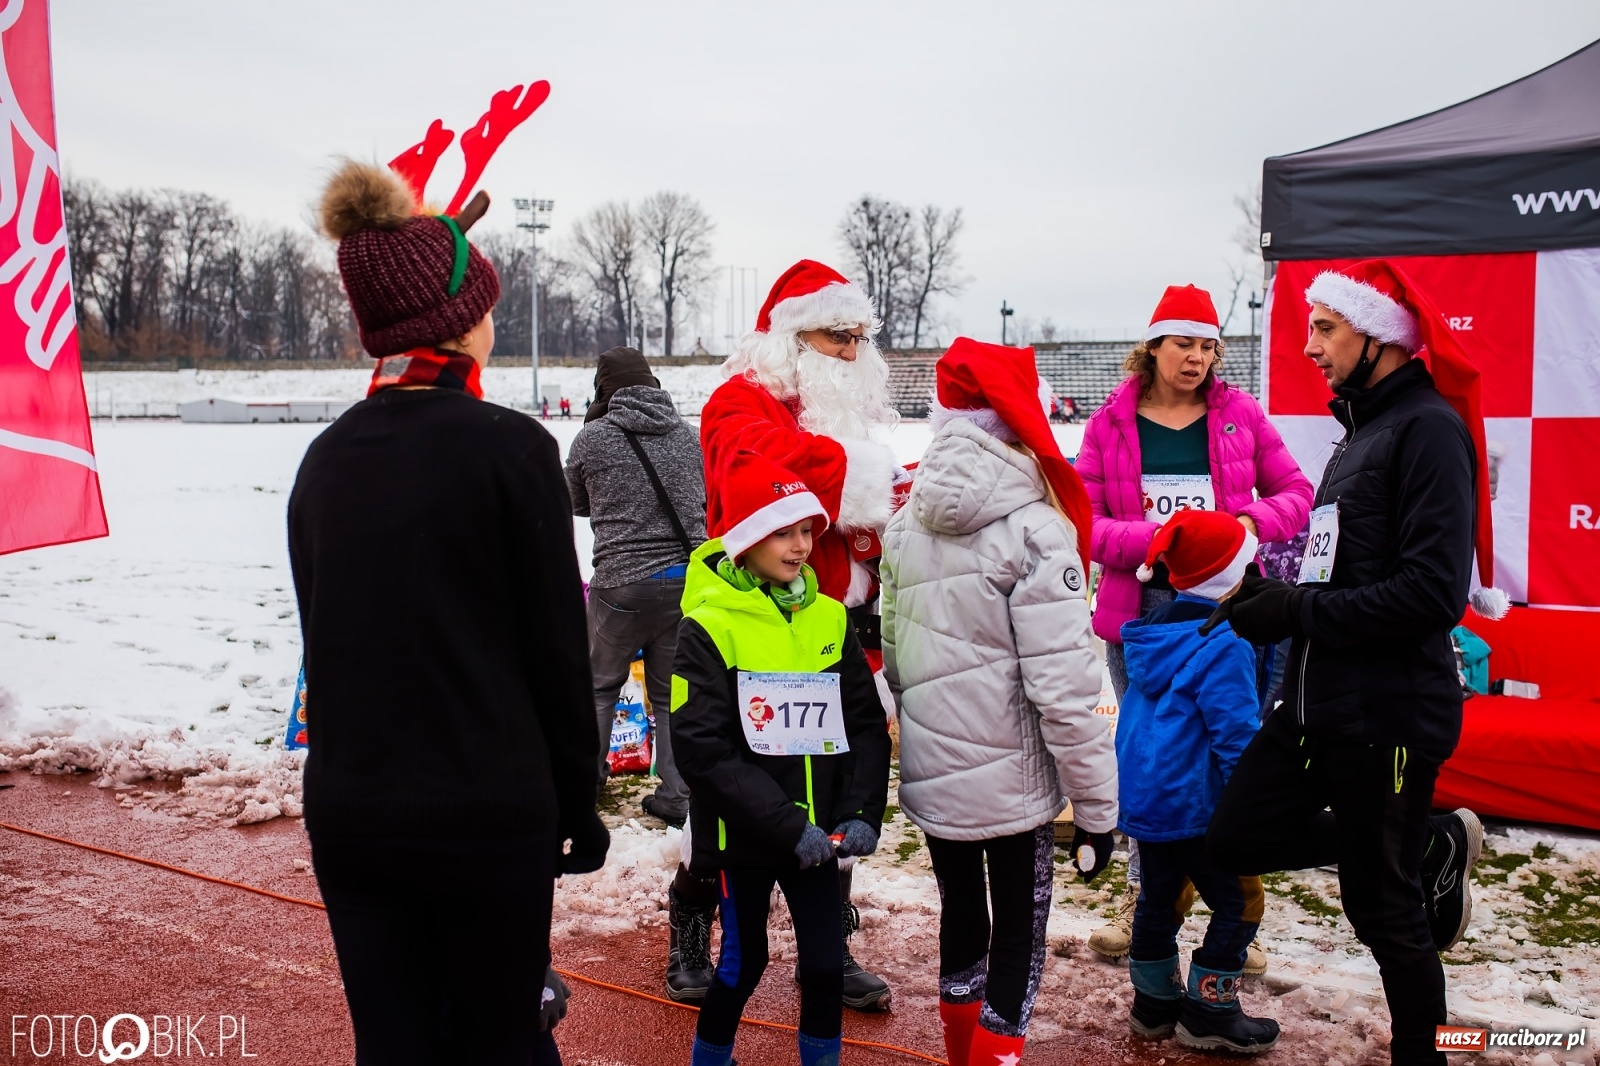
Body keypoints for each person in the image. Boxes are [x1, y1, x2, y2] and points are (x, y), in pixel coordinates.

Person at [290, 160, 607, 1064]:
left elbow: (326, 645)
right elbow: (557, 652)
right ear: (461, 320)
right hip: (485, 807)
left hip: (354, 810)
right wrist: (575, 802)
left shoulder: (324, 459)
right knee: (498, 1038)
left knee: (392, 1045)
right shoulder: (511, 449)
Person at [1203, 259, 1503, 1066]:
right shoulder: (1359, 432)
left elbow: (1430, 596)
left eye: (1325, 328)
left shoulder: (1429, 430)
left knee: (1386, 914)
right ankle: (1429, 838)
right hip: (1314, 706)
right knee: (1231, 838)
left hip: (1389, 717)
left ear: (1382, 336)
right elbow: (1343, 570)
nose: (1309, 347)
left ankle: (1424, 1055)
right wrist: (1273, 596)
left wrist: (1294, 610)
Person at [882, 338, 1118, 1066]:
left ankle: (964, 1055)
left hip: (937, 774)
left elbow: (895, 654)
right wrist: (1099, 811)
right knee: (1019, 929)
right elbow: (1067, 687)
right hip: (1014, 781)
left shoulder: (904, 521)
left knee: (962, 912)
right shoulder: (1037, 529)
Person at [1075, 283, 1312, 967]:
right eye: (1185, 343)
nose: (1198, 358)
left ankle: (1239, 908)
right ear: (1153, 347)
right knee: (1155, 756)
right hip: (1143, 614)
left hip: (1230, 608)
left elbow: (1296, 494)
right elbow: (1084, 520)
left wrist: (1241, 526)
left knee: (1231, 753)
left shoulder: (1240, 415)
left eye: (1209, 346)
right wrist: (1158, 541)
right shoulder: (1110, 423)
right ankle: (1150, 897)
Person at [695, 258, 904, 1010]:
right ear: (791, 337)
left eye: (858, 338)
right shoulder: (738, 402)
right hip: (749, 633)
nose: (853, 353)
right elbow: (754, 472)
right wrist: (866, 476)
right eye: (838, 337)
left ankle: (830, 941)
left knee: (836, 783)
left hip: (834, 627)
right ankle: (698, 926)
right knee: (737, 788)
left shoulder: (828, 414)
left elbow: (857, 519)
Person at [669, 451, 892, 1066]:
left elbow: (865, 725)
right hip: (748, 835)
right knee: (744, 965)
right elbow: (701, 749)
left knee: (823, 966)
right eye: (783, 532)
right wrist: (787, 825)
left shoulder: (827, 615)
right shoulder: (709, 626)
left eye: (807, 531)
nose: (800, 546)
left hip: (823, 837)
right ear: (745, 539)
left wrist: (862, 812)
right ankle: (710, 1058)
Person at [1118, 509, 1279, 1053]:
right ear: (1233, 578)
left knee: (1159, 901)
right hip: (1200, 804)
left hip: (1151, 799)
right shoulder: (1226, 642)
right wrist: (1251, 806)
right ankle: (1211, 1009)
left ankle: (1154, 1003)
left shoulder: (1155, 636)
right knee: (1241, 903)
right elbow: (1235, 735)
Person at [565, 346, 705, 830]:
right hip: (686, 583)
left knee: (599, 687)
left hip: (621, 586)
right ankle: (676, 795)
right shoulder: (692, 437)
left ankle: (586, 784)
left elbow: (574, 503)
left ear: (604, 391)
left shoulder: (593, 438)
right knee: (670, 696)